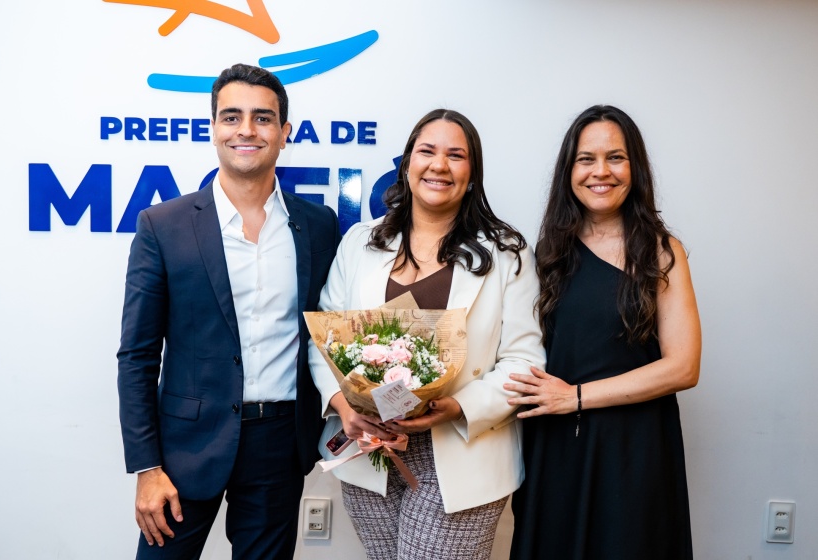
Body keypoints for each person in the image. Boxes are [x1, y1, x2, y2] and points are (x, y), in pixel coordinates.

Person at [117, 63, 340, 559]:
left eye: (263, 118)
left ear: (285, 133)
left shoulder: (319, 226)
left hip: (279, 444)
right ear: (213, 128)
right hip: (183, 449)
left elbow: (327, 333)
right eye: (232, 116)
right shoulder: (163, 226)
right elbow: (136, 355)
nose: (246, 130)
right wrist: (146, 467)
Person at [309, 108, 546, 559]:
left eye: (456, 155)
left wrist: (456, 405)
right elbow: (324, 339)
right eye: (427, 151)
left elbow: (525, 361)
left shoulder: (508, 253)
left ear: (472, 174)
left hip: (461, 451)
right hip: (368, 453)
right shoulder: (360, 243)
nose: (439, 165)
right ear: (406, 164)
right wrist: (345, 407)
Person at [507, 105, 701, 559]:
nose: (601, 172)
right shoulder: (546, 252)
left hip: (634, 449)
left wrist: (573, 397)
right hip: (554, 448)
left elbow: (683, 367)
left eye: (615, 157)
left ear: (635, 168)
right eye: (586, 159)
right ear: (568, 170)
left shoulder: (661, 251)